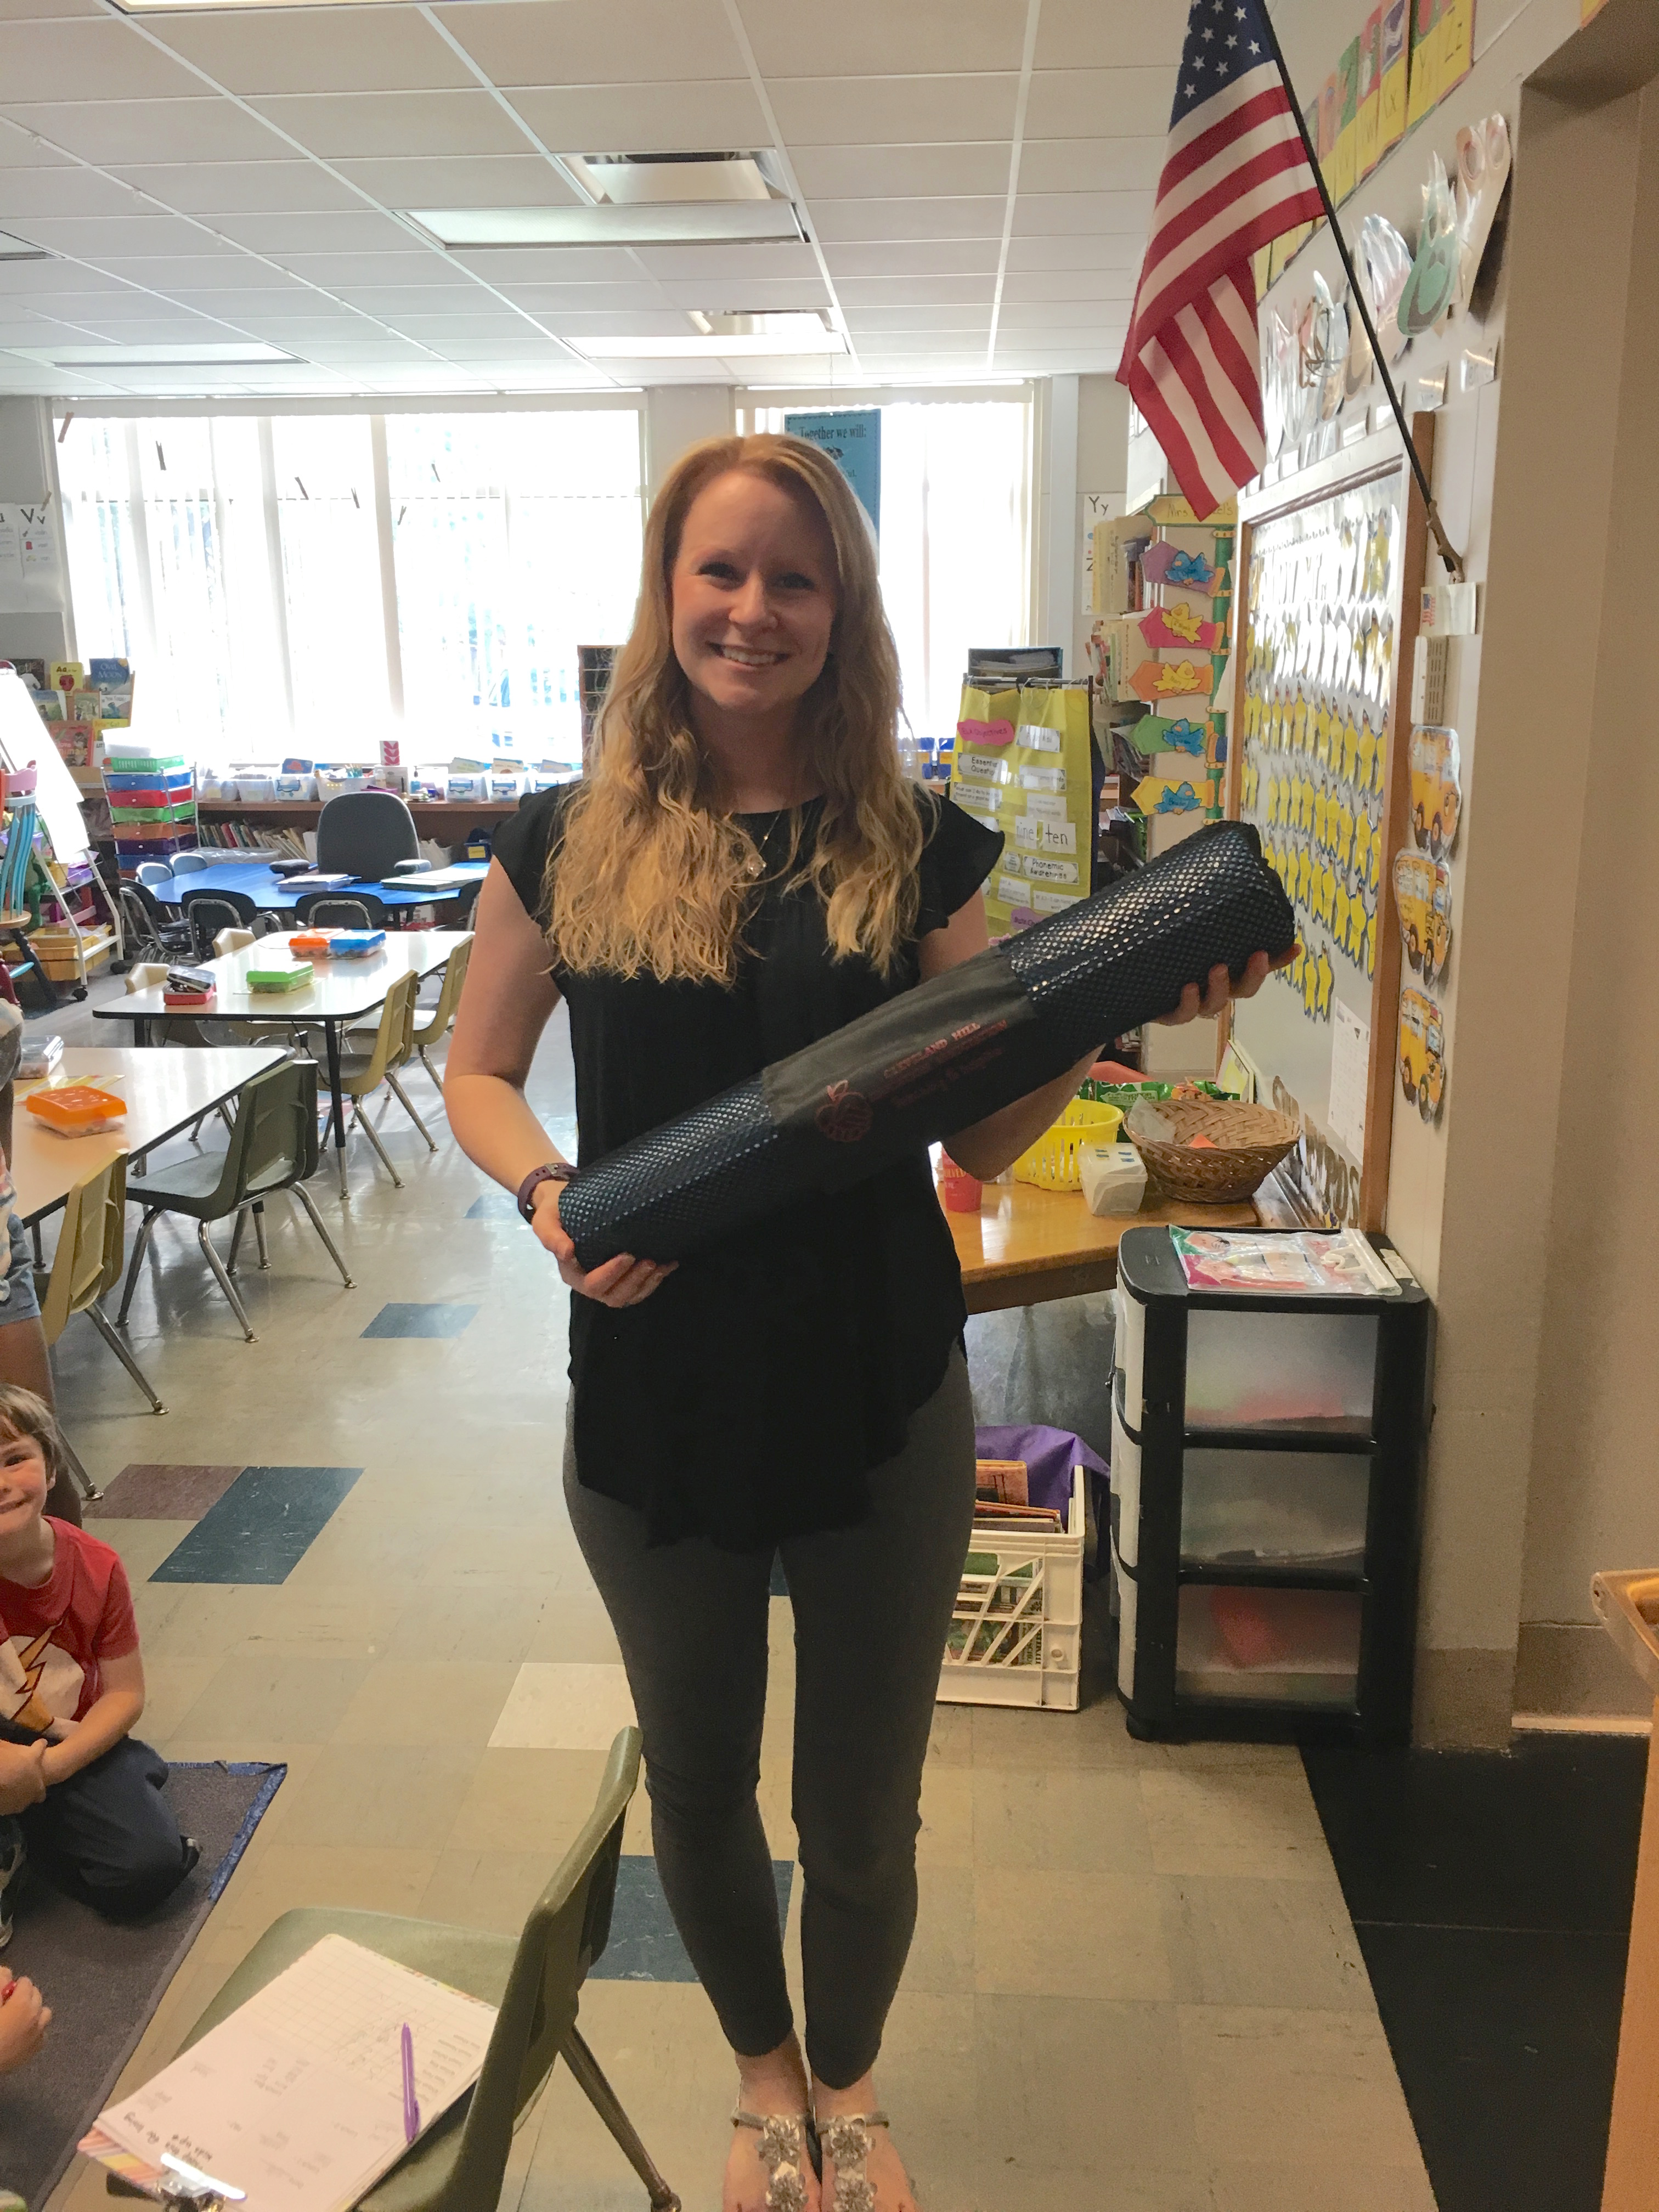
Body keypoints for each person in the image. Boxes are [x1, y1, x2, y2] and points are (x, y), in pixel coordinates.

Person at [445, 432, 1282, 2212]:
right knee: (698, 1782)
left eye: (794, 578)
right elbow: (479, 1071)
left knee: (861, 1815)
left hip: (877, 1385)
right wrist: (546, 1194)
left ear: (842, 610)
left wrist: (1120, 1006)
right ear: (667, 592)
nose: (752, 610)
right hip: (653, 1386)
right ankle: (763, 2086)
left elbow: (982, 1134)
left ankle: (847, 2085)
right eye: (720, 571)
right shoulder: (563, 838)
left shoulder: (913, 844)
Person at [0, 1385, 196, 1945]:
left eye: (14, 1460)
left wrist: (47, 1772)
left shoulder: (95, 1566)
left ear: (50, 1468)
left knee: (147, 1871)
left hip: (66, 1745)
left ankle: (30, 1832)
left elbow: (125, 1695)